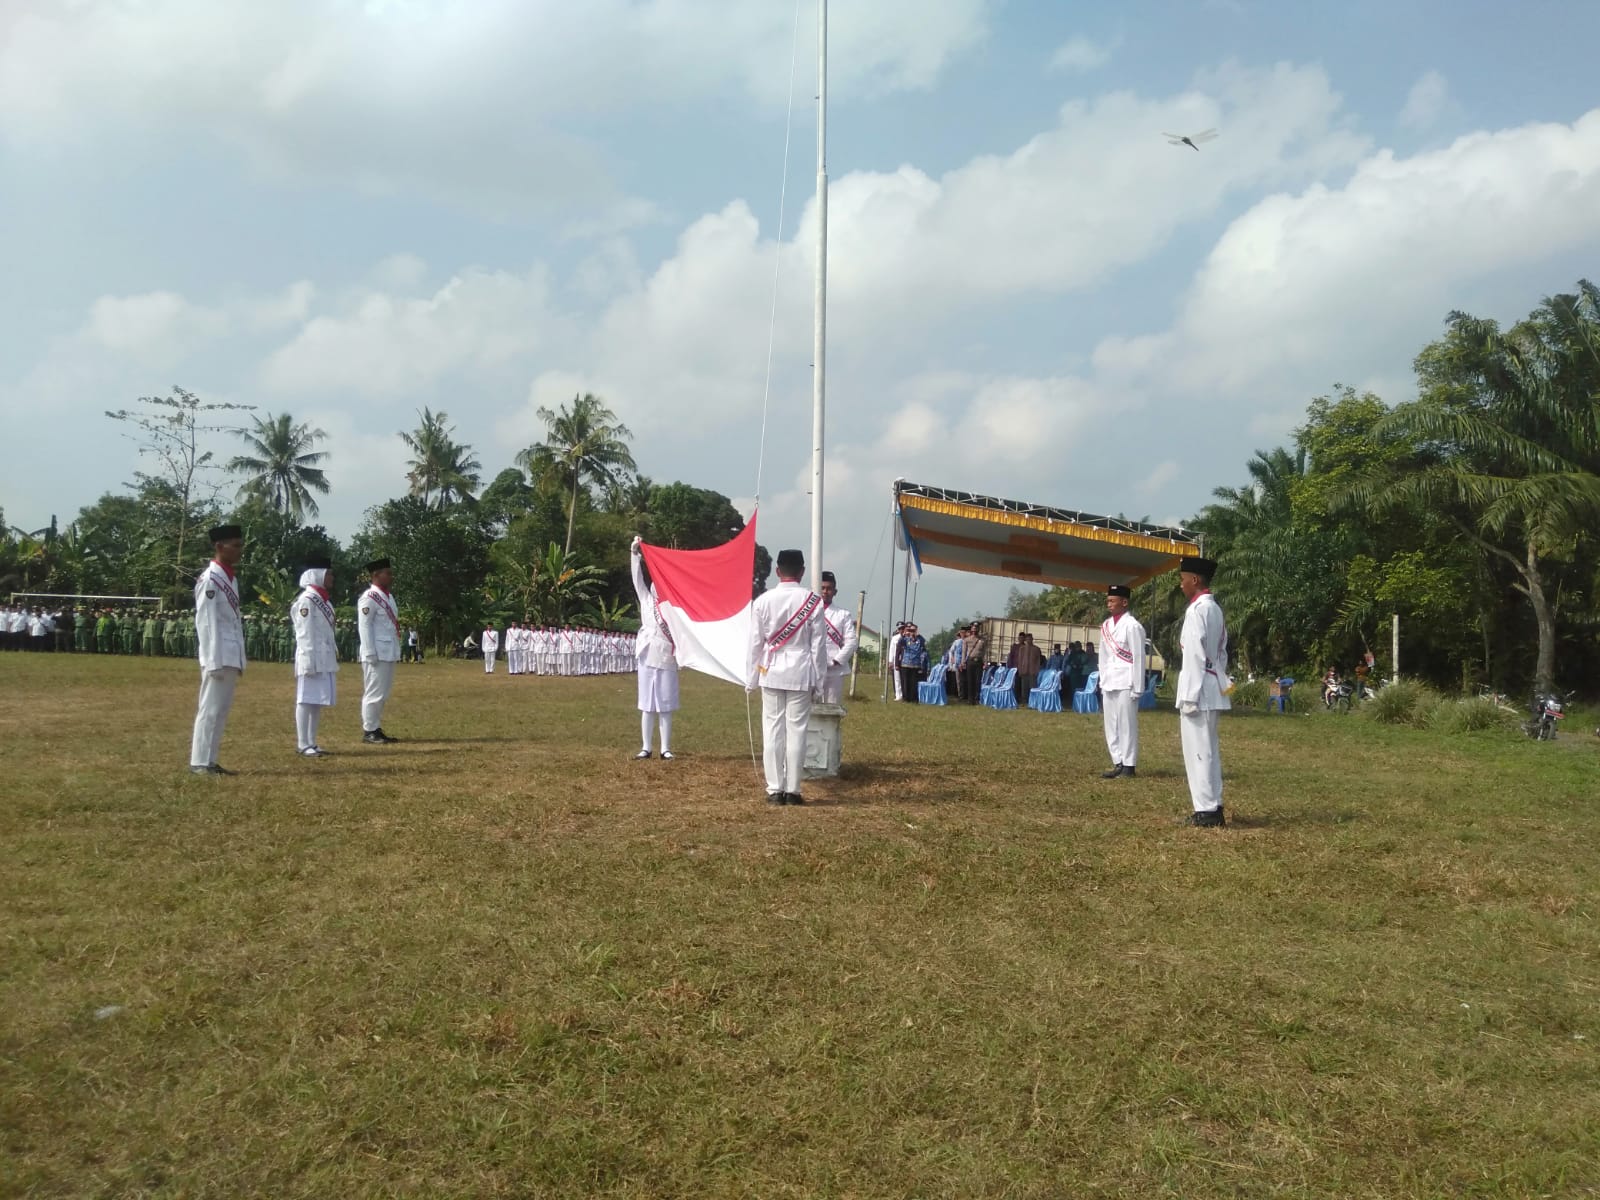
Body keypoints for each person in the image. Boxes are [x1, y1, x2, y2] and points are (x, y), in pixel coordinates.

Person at [747, 548, 828, 805]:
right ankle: (793, 790)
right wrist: (820, 679)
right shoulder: (813, 602)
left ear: (777, 571)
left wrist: (750, 678)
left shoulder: (763, 601)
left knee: (772, 730)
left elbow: (754, 644)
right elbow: (819, 646)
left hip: (770, 670)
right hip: (801, 670)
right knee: (797, 730)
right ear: (802, 572)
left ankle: (774, 790)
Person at [1175, 555, 1230, 827]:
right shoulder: (1215, 609)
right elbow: (1222, 653)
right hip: (1211, 685)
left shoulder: (1198, 610)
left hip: (1198, 690)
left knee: (1199, 751)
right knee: (1208, 750)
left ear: (1195, 580)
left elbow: (1195, 654)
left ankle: (1206, 809)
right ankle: (1212, 804)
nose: (1181, 585)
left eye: (1183, 580)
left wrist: (1190, 695)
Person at [189, 524, 246, 775]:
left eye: (240, 545)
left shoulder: (230, 578)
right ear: (219, 547)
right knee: (210, 709)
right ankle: (200, 761)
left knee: (220, 710)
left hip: (230, 652)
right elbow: (206, 622)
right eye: (235, 545)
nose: (239, 550)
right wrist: (212, 659)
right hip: (218, 653)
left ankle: (210, 760)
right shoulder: (211, 579)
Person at [630, 537, 680, 759]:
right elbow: (637, 579)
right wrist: (634, 555)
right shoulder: (646, 600)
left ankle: (665, 748)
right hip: (646, 654)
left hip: (667, 657)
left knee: (666, 703)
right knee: (646, 704)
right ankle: (646, 746)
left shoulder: (673, 608)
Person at [291, 556, 339, 757]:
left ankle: (312, 741)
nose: (332, 577)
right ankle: (303, 743)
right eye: (328, 574)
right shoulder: (307, 601)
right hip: (310, 657)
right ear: (317, 575)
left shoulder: (323, 601)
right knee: (305, 699)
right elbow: (304, 632)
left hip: (324, 657)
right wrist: (308, 659)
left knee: (317, 700)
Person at [1097, 584, 1147, 779]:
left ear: (1124, 602)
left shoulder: (1132, 626)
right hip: (1110, 680)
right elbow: (1103, 656)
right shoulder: (1106, 626)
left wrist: (1138, 686)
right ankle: (1117, 761)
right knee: (1110, 724)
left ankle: (1129, 764)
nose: (1109, 604)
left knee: (1127, 724)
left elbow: (1138, 657)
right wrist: (1102, 679)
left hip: (1127, 681)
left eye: (1112, 600)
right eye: (1108, 600)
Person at [357, 557, 402, 744]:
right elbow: (364, 626)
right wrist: (369, 652)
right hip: (376, 652)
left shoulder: (388, 596)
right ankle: (369, 730)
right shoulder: (369, 597)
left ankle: (375, 726)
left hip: (388, 650)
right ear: (376, 575)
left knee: (382, 692)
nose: (391, 577)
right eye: (387, 573)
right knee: (373, 692)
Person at [817, 571, 859, 705]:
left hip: (834, 669)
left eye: (829, 588)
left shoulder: (843, 614)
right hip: (812, 666)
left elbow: (852, 641)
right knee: (810, 708)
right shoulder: (809, 613)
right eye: (822, 588)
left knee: (832, 706)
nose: (825, 591)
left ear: (835, 591)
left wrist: (837, 660)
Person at [895, 623, 929, 703]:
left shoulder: (919, 640)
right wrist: (905, 633)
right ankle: (906, 698)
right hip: (906, 664)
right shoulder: (906, 639)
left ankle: (913, 698)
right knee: (906, 682)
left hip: (915, 665)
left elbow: (923, 642)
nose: (912, 632)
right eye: (910, 630)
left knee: (913, 682)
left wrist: (917, 634)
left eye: (913, 630)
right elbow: (900, 643)